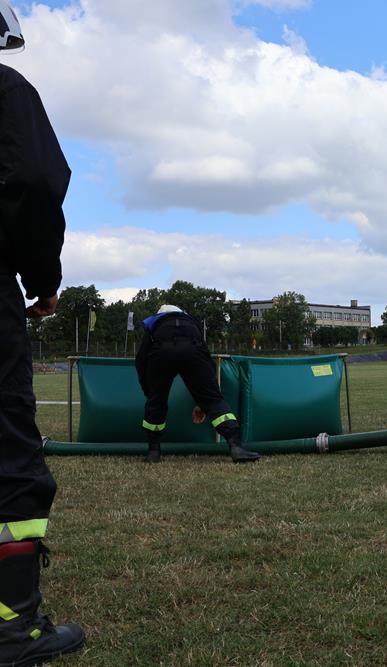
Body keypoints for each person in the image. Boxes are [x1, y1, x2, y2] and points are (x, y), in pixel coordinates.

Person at [0, 4, 87, 663]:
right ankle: (14, 623)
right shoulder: (7, 91)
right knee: (9, 455)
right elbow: (33, 178)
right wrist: (42, 277)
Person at [135, 305, 261, 464]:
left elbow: (141, 360)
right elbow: (206, 360)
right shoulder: (190, 322)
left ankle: (154, 451)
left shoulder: (155, 324)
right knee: (214, 400)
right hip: (192, 350)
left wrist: (150, 392)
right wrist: (204, 400)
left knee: (156, 402)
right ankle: (236, 447)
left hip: (161, 352)